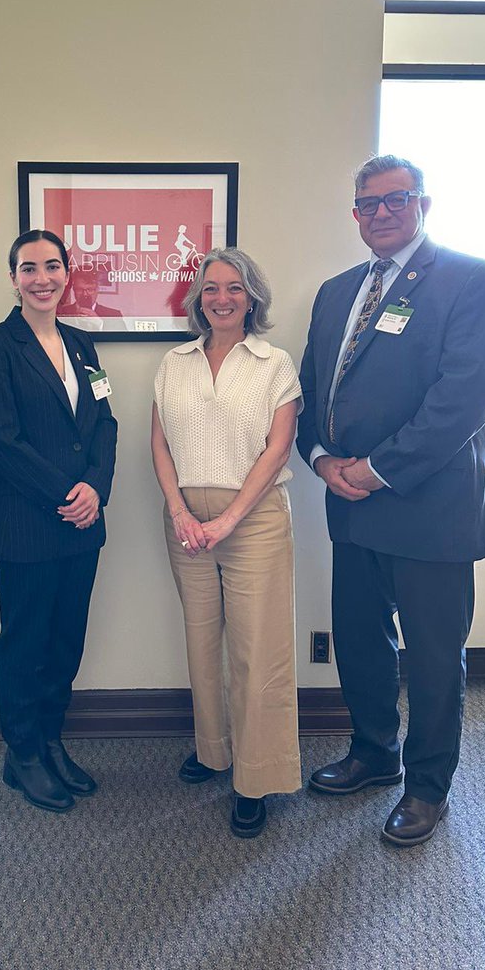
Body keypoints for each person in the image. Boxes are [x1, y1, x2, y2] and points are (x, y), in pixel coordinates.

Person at [297, 154, 485, 847]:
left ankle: (427, 788)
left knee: (431, 657)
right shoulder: (336, 293)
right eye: (368, 203)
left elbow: (463, 398)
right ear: (354, 213)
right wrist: (325, 459)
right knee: (360, 639)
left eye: (397, 199)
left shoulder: (471, 280)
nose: (381, 213)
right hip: (350, 501)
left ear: (423, 204)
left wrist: (379, 468)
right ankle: (373, 752)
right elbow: (313, 389)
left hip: (429, 504)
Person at [151, 248, 302, 838]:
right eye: (210, 288)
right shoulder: (175, 361)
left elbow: (278, 448)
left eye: (233, 288)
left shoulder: (273, 363)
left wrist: (227, 520)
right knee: (200, 639)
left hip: (254, 518)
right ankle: (214, 750)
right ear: (198, 298)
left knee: (256, 650)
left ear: (252, 297)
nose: (221, 298)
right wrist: (180, 511)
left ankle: (256, 778)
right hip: (187, 519)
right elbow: (159, 443)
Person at [0, 230, 117, 813]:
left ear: (67, 274)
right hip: (27, 523)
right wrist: (68, 492)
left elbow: (104, 425)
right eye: (29, 268)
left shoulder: (83, 345)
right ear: (13, 279)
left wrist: (96, 490)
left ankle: (51, 741)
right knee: (25, 640)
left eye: (52, 266)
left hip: (84, 523)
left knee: (66, 639)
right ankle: (22, 754)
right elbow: (0, 442)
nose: (42, 278)